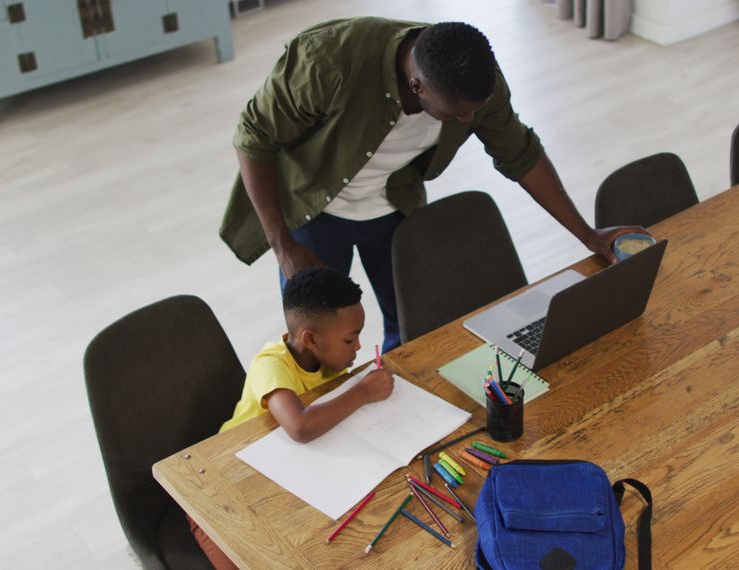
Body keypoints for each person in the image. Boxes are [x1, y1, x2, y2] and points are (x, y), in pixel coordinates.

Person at [220, 17, 648, 354]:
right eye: (457, 112)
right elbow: (253, 137)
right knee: (319, 345)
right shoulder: (329, 59)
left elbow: (520, 154)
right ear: (416, 85)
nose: (468, 121)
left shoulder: (477, 86)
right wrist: (283, 247)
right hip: (313, 208)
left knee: (413, 332)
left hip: (394, 208)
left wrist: (587, 235)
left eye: (473, 111)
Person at [188, 267, 395, 568]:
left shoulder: (326, 361)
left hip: (276, 478)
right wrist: (362, 392)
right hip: (214, 490)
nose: (359, 347)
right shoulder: (271, 364)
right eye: (350, 340)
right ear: (310, 339)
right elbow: (300, 427)